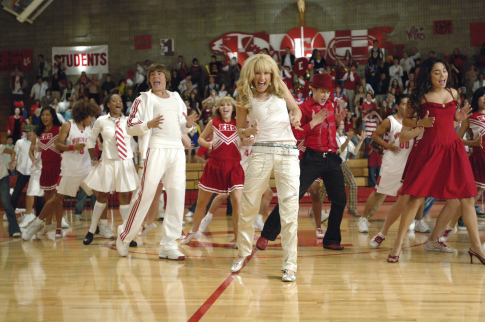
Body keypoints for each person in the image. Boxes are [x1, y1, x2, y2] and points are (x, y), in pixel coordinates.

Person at [387, 57, 485, 264]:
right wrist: (419, 122)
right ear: (428, 75)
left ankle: (476, 247)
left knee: (467, 198)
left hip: (453, 148)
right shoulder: (420, 96)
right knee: (415, 199)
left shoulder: (453, 93)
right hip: (430, 150)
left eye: (445, 71)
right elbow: (406, 121)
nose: (443, 76)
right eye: (437, 72)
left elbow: (450, 120)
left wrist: (457, 117)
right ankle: (397, 243)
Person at [255, 72, 348, 272]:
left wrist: (338, 121)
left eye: (327, 92)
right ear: (312, 90)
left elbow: (331, 129)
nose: (324, 95)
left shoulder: (331, 106)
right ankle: (266, 235)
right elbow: (296, 134)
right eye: (321, 91)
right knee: (290, 197)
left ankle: (331, 239)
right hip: (312, 158)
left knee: (340, 199)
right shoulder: (303, 109)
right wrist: (313, 123)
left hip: (331, 158)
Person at [116, 63, 198, 260]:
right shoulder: (143, 99)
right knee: (146, 194)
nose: (155, 76)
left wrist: (188, 125)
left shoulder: (177, 97)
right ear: (149, 80)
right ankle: (125, 235)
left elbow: (182, 126)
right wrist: (148, 124)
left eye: (159, 73)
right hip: (156, 148)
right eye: (152, 74)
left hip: (177, 150)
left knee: (177, 196)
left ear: (166, 78)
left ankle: (169, 245)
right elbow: (130, 126)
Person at [232, 54, 302, 282]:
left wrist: (295, 117)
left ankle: (290, 265)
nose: (262, 77)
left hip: (288, 152)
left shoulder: (281, 88)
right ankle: (243, 252)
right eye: (258, 73)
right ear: (251, 75)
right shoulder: (244, 97)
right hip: (260, 151)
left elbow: (297, 110)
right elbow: (240, 132)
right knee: (248, 207)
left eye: (266, 72)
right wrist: (248, 133)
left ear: (272, 74)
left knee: (289, 210)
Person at [22, 101, 98, 240]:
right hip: (63, 169)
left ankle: (98, 226)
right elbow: (55, 145)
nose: (92, 118)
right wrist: (34, 156)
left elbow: (93, 147)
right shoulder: (65, 126)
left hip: (82, 169)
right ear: (84, 114)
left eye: (47, 115)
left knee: (101, 195)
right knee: (54, 198)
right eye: (91, 116)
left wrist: (96, 159)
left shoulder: (89, 128)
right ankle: (39, 224)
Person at [357, 95, 426, 233]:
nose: (407, 107)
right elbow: (375, 136)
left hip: (410, 163)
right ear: (397, 106)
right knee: (378, 192)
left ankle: (419, 221)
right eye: (404, 104)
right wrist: (388, 146)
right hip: (392, 162)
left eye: (409, 104)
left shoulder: (416, 121)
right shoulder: (390, 121)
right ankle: (363, 219)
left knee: (418, 194)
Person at [182, 96, 244, 247]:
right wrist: (207, 143)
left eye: (228, 104)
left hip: (234, 167)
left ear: (233, 108)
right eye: (222, 105)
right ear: (218, 109)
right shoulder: (213, 122)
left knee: (237, 202)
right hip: (214, 166)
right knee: (202, 202)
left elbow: (246, 137)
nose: (225, 107)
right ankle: (194, 231)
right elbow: (201, 140)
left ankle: (238, 238)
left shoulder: (239, 123)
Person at [82, 94, 140, 245]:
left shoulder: (128, 121)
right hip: (107, 162)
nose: (118, 102)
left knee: (124, 197)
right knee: (102, 196)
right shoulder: (101, 121)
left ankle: (127, 234)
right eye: (114, 100)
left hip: (124, 162)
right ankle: (91, 230)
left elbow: (137, 140)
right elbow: (90, 139)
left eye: (120, 100)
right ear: (108, 104)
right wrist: (93, 158)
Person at [320, 121, 365, 218]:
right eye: (340, 124)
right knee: (325, 187)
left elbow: (355, 151)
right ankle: (316, 206)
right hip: (334, 163)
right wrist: (348, 139)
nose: (342, 126)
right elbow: (340, 150)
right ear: (336, 126)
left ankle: (352, 209)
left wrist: (361, 141)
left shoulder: (345, 138)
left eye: (343, 124)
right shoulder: (333, 137)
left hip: (343, 164)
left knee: (353, 184)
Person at [0, 142, 19, 237]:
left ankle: (15, 229)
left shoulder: (0, 147)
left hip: (3, 177)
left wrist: (11, 163)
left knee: (6, 202)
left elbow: (13, 152)